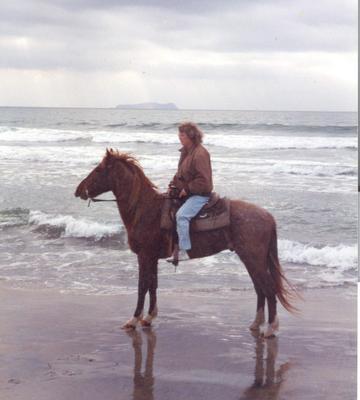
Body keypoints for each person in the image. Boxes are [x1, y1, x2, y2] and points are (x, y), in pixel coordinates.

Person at [167, 122, 213, 263]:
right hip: (188, 193)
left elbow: (204, 181)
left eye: (182, 135)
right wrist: (172, 184)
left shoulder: (200, 154)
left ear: (191, 136)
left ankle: (185, 251)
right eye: (179, 134)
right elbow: (180, 173)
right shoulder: (186, 151)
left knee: (181, 216)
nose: (179, 137)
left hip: (199, 195)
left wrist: (187, 189)